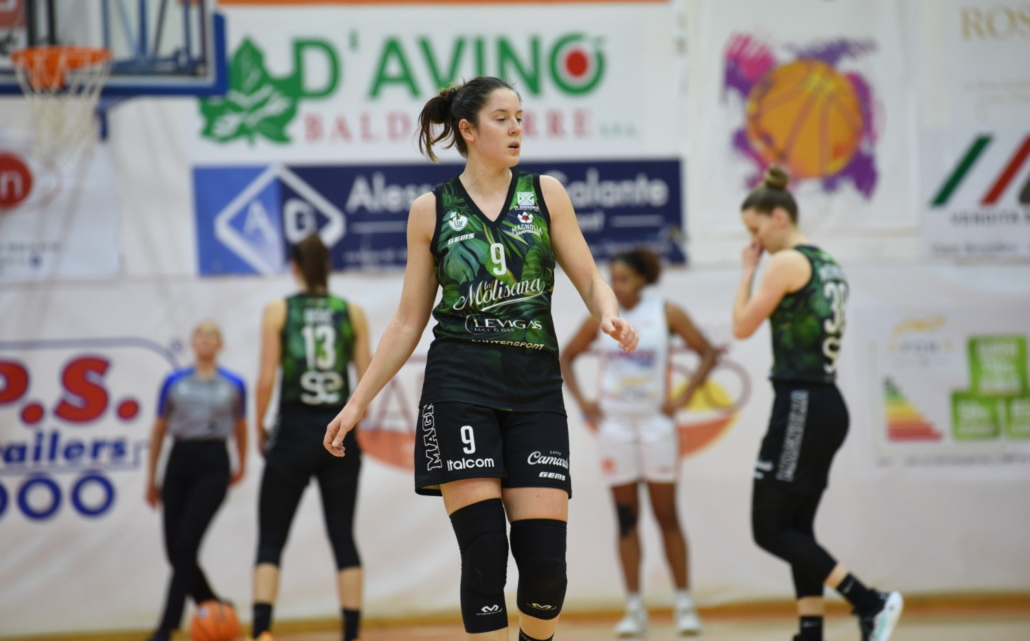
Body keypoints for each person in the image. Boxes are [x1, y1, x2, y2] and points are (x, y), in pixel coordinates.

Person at [323, 76, 638, 641]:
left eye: (520, 117)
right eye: (502, 118)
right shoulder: (431, 210)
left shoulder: (546, 194)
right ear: (467, 130)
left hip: (535, 390)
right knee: (486, 556)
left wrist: (608, 312)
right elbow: (407, 321)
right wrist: (356, 403)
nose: (516, 128)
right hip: (459, 390)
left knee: (546, 575)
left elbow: (591, 278)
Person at [732, 165, 903, 641]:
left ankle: (870, 602)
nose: (754, 241)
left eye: (755, 229)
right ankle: (811, 631)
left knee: (769, 529)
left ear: (779, 217)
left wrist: (747, 272)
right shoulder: (828, 262)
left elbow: (741, 326)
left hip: (802, 404)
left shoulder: (786, 263)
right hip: (825, 402)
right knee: (796, 527)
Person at [560, 248, 720, 638]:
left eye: (624, 279)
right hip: (615, 427)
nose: (616, 286)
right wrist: (584, 402)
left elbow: (707, 352)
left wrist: (683, 398)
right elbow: (566, 357)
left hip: (655, 424)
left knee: (667, 515)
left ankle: (684, 605)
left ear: (643, 280)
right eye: (612, 279)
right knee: (626, 519)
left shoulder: (665, 312)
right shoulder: (602, 316)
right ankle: (634, 609)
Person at [251, 233, 372, 641]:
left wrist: (259, 424)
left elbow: (265, 380)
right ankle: (351, 633)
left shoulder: (278, 310)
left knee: (271, 537)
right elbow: (367, 381)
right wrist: (354, 423)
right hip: (339, 434)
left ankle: (263, 631)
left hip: (293, 431)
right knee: (343, 536)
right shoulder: (351, 312)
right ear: (329, 266)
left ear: (295, 268)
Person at [144, 320, 247, 641]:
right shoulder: (174, 381)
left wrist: (242, 464)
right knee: (174, 550)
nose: (205, 339)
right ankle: (214, 605)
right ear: (192, 342)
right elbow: (159, 428)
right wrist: (151, 478)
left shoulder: (233, 383)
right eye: (200, 334)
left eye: (211, 335)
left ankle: (167, 626)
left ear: (220, 344)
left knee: (186, 544)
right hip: (179, 459)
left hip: (213, 462)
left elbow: (240, 426)